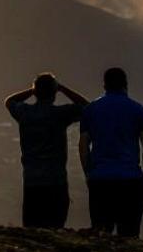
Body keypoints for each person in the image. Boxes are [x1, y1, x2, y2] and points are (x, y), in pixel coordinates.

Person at [5, 72, 89, 228]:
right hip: (56, 180)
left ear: (36, 92)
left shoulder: (25, 112)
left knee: (32, 229)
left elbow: (10, 101)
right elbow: (88, 108)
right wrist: (63, 89)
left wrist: (32, 90)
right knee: (56, 227)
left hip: (32, 180)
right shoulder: (60, 114)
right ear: (54, 93)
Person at [78, 67, 143, 237]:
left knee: (102, 233)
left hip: (100, 179)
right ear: (125, 85)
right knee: (129, 234)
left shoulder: (91, 110)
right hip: (130, 180)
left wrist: (89, 173)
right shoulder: (138, 110)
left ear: (104, 85)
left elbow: (83, 146)